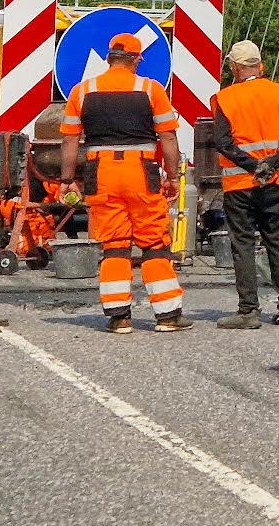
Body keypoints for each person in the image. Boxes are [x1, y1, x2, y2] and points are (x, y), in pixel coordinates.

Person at [59, 33, 192, 334]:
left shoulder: (82, 91)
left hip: (100, 172)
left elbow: (69, 141)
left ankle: (119, 316)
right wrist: (172, 177)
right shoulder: (150, 89)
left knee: (114, 243)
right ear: (136, 59)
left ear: (108, 58)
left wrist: (67, 180)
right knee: (154, 241)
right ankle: (168, 315)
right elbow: (168, 137)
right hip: (140, 171)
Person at [209, 41, 279, 329]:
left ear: (235, 68)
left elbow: (223, 143)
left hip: (240, 184)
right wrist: (272, 164)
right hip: (276, 183)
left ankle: (248, 311)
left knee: (243, 245)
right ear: (260, 66)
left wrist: (253, 166)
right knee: (278, 243)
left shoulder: (224, 98)